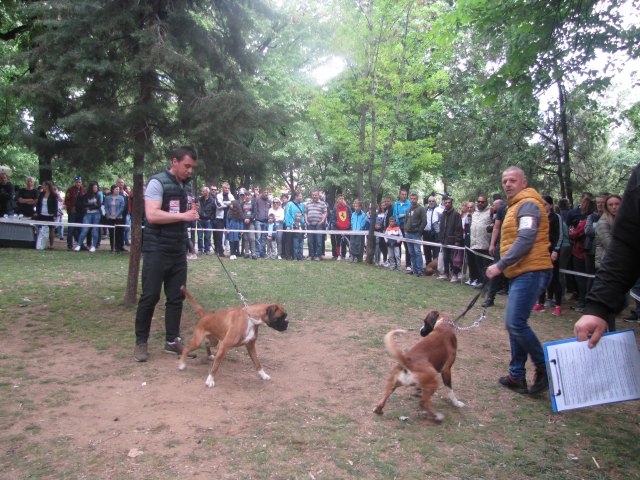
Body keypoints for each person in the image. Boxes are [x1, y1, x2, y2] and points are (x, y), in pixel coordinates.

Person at [486, 166, 553, 395]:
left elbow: (526, 239)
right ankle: (516, 376)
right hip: (520, 271)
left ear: (524, 183)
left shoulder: (527, 204)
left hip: (532, 270)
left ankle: (545, 367)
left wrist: (500, 265)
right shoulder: (513, 207)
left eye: (513, 180)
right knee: (516, 323)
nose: (507, 184)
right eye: (504, 180)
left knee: (515, 323)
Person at [134, 146, 200, 363]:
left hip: (178, 249)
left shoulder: (187, 186)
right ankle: (140, 342)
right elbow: (152, 215)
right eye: (186, 166)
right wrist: (183, 216)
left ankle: (172, 341)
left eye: (192, 167)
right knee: (150, 296)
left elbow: (182, 212)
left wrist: (192, 211)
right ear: (175, 161)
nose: (189, 171)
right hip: (157, 249)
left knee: (176, 298)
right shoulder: (157, 182)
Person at [574, 162, 640, 347]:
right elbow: (626, 245)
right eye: (609, 204)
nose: (613, 207)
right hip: (605, 266)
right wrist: (598, 307)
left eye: (615, 204)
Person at [532, 196, 564, 315]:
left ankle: (558, 305)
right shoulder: (538, 217)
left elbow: (560, 235)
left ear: (550, 205)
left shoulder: (556, 217)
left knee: (554, 278)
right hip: (540, 252)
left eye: (545, 204)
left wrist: (556, 250)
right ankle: (540, 303)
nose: (543, 206)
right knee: (540, 277)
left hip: (552, 252)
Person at [568, 198, 596, 312]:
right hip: (585, 253)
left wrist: (570, 232)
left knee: (581, 278)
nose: (580, 206)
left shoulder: (584, 222)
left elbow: (575, 235)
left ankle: (583, 301)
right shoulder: (591, 221)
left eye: (582, 205)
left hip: (580, 253)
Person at [437, 196, 463, 282]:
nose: (447, 204)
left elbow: (459, 228)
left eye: (449, 203)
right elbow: (441, 227)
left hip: (453, 241)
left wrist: (458, 240)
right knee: (446, 258)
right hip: (445, 240)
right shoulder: (443, 214)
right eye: (446, 202)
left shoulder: (456, 214)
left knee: (454, 258)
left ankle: (454, 274)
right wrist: (440, 238)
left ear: (451, 203)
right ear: (444, 203)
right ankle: (446, 273)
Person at [470, 195, 493, 287]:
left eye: (482, 202)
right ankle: (481, 280)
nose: (480, 203)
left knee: (486, 265)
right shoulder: (474, 213)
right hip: (475, 244)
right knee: (478, 264)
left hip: (485, 244)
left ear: (486, 203)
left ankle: (486, 283)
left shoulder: (490, 212)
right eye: (479, 201)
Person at [403, 193, 427, 277]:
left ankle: (420, 270)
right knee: (411, 252)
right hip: (408, 233)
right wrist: (405, 230)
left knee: (417, 251)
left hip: (416, 234)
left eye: (414, 198)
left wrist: (419, 231)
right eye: (411, 198)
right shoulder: (409, 209)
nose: (413, 200)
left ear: (417, 199)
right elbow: (406, 220)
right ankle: (414, 269)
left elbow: (424, 221)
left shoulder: (421, 209)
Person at [74, 181, 102, 253]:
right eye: (93, 187)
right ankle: (79, 245)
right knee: (85, 230)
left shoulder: (99, 195)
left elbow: (98, 205)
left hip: (96, 214)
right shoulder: (86, 195)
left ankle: (94, 246)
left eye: (96, 187)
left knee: (95, 230)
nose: (95, 189)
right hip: (88, 214)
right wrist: (93, 204)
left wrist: (89, 207)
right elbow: (84, 204)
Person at [33, 180, 59, 248]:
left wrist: (55, 215)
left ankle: (51, 245)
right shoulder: (41, 194)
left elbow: (55, 205)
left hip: (50, 215)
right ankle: (41, 243)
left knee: (51, 229)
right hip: (42, 214)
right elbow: (38, 204)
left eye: (43, 185)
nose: (42, 187)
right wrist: (37, 212)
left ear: (47, 186)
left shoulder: (53, 195)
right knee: (41, 229)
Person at [305, 190, 327, 261]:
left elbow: (325, 213)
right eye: (313, 195)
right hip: (310, 224)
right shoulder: (308, 204)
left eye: (315, 195)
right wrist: (306, 221)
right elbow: (305, 213)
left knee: (319, 241)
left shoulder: (322, 203)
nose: (314, 196)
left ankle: (318, 256)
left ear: (318, 196)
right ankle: (311, 255)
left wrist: (322, 221)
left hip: (318, 225)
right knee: (310, 241)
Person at [65, 177, 86, 251]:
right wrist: (71, 209)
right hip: (73, 212)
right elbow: (67, 201)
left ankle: (80, 244)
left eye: (79, 182)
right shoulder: (70, 190)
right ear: (74, 182)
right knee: (71, 229)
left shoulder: (83, 190)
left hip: (81, 212)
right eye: (77, 182)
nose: (78, 183)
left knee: (80, 229)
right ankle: (69, 245)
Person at [103, 185, 126, 253]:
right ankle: (112, 247)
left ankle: (118, 248)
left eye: (118, 189)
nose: (118, 190)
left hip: (118, 218)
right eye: (116, 189)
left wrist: (116, 215)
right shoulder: (107, 198)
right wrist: (108, 215)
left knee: (118, 233)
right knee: (111, 233)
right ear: (113, 190)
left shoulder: (121, 198)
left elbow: (122, 208)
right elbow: (106, 207)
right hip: (110, 217)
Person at [392, 190, 411, 270]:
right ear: (400, 195)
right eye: (402, 194)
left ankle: (408, 265)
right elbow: (394, 215)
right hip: (397, 227)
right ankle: (397, 263)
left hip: (406, 226)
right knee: (397, 246)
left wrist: (404, 215)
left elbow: (411, 214)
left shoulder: (409, 203)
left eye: (405, 194)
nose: (404, 196)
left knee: (407, 246)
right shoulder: (396, 204)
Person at [330, 194, 352, 261]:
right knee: (338, 242)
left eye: (342, 198)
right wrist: (337, 224)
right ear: (337, 200)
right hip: (338, 228)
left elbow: (350, 217)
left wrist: (349, 224)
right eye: (340, 198)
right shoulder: (335, 208)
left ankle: (347, 255)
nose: (341, 200)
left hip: (347, 228)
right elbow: (333, 218)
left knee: (347, 242)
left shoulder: (347, 207)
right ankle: (339, 255)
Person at [214, 182, 234, 257]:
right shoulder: (218, 195)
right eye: (225, 188)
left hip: (229, 218)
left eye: (228, 188)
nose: (227, 189)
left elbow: (233, 203)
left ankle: (232, 251)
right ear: (222, 188)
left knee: (230, 234)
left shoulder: (231, 195)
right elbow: (219, 205)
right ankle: (220, 251)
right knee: (219, 235)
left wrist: (225, 202)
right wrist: (229, 204)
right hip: (220, 218)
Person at [422, 195, 442, 269]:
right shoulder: (425, 209)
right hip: (426, 233)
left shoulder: (438, 210)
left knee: (435, 251)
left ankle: (435, 267)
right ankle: (428, 266)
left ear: (435, 202)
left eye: (433, 201)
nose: (431, 202)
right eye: (430, 201)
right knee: (426, 250)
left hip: (435, 234)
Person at [285, 191, 305, 261]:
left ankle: (297, 255)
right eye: (300, 196)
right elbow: (287, 214)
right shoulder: (289, 204)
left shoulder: (301, 205)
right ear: (296, 197)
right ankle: (288, 255)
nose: (301, 197)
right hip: (291, 225)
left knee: (297, 241)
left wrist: (303, 225)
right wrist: (288, 225)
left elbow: (302, 215)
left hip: (299, 226)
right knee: (289, 241)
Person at [196, 186, 215, 256]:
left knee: (208, 236)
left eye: (203, 191)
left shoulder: (212, 201)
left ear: (207, 192)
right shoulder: (199, 200)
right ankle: (200, 249)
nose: (202, 192)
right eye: (201, 191)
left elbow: (214, 211)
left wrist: (211, 219)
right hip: (200, 220)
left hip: (208, 221)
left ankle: (207, 250)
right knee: (200, 236)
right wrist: (197, 216)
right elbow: (196, 209)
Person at [254, 187, 272, 259]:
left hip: (266, 222)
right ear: (262, 192)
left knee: (264, 238)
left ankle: (263, 252)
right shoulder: (257, 199)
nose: (266, 194)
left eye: (267, 192)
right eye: (265, 192)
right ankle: (257, 252)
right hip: (258, 220)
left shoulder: (269, 201)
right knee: (258, 237)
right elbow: (255, 209)